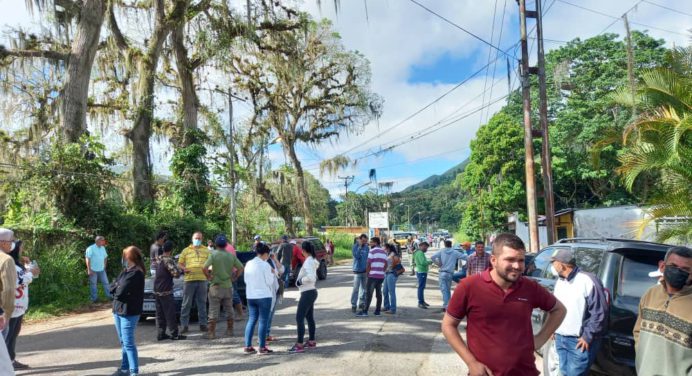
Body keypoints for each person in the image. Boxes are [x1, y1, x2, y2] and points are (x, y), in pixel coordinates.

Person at [441, 233, 567, 376]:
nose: (517, 266)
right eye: (510, 259)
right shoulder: (469, 287)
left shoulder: (530, 287)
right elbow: (448, 325)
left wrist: (540, 338)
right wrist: (471, 362)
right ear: (493, 260)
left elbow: (559, 310)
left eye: (521, 260)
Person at [634, 246, 692, 376]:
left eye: (685, 269)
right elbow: (638, 332)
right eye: (673, 266)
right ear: (663, 266)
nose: (678, 271)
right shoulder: (650, 294)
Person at [551, 249, 609, 376]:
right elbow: (556, 308)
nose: (552, 266)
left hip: (578, 341)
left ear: (562, 264)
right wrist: (553, 329)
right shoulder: (560, 281)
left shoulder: (587, 280)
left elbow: (599, 313)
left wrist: (587, 336)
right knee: (563, 372)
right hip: (561, 338)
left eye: (553, 262)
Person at [111, 246, 145, 376]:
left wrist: (117, 287)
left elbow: (119, 292)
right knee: (123, 342)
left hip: (128, 312)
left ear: (130, 258)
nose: (123, 259)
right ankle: (124, 369)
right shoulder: (125, 271)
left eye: (124, 256)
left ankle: (133, 371)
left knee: (128, 343)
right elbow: (112, 287)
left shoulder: (136, 273)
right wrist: (117, 287)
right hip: (118, 310)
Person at [5, 240, 38, 370]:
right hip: (12, 306)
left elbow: (31, 276)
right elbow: (18, 281)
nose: (22, 250)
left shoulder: (17, 264)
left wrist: (29, 266)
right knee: (8, 336)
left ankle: (11, 360)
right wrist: (30, 273)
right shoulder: (10, 264)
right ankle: (7, 363)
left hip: (19, 306)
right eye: (20, 248)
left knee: (13, 335)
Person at [203, 235, 244, 340]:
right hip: (228, 286)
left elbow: (204, 267)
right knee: (229, 308)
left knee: (213, 309)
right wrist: (234, 277)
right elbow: (241, 268)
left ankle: (211, 333)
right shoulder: (231, 256)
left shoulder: (213, 254)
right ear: (226, 245)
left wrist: (208, 276)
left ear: (216, 245)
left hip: (216, 286)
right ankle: (230, 330)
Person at [243, 242, 276, 355]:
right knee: (263, 321)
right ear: (265, 254)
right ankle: (261, 347)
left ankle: (248, 346)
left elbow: (246, 280)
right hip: (264, 296)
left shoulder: (248, 263)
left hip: (251, 295)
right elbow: (270, 282)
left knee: (252, 320)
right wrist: (272, 273)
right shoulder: (265, 265)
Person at [288, 241, 319, 353]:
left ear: (304, 251)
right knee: (309, 318)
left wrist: (300, 281)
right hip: (309, 291)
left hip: (307, 292)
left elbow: (311, 277)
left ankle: (299, 344)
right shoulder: (311, 260)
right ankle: (311, 341)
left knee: (299, 318)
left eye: (302, 249)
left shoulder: (309, 262)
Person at [178, 231, 210, 334]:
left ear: (202, 239)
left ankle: (203, 325)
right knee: (186, 304)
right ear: (192, 239)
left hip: (202, 280)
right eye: (196, 238)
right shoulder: (186, 250)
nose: (197, 240)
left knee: (202, 303)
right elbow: (180, 264)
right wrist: (184, 269)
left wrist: (210, 271)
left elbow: (211, 264)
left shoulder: (206, 250)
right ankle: (184, 326)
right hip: (189, 280)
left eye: (199, 238)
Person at [154, 240, 185, 341]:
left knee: (160, 314)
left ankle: (161, 334)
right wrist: (182, 270)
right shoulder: (168, 260)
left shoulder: (158, 259)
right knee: (170, 313)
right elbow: (176, 274)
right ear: (171, 250)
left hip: (157, 289)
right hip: (166, 290)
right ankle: (174, 334)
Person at [431, 240, 466, 312]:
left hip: (442, 272)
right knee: (447, 289)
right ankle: (449, 305)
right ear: (451, 245)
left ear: (444, 245)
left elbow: (432, 257)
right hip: (450, 273)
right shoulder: (455, 252)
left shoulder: (441, 251)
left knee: (444, 290)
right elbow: (466, 257)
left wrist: (438, 264)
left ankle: (447, 306)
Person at [356, 237, 386, 317]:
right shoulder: (384, 252)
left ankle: (365, 311)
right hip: (381, 276)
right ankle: (377, 311)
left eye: (371, 242)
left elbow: (368, 264)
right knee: (379, 294)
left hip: (372, 275)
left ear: (376, 243)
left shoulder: (372, 251)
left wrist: (367, 274)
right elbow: (385, 264)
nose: (370, 243)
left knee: (369, 294)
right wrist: (382, 271)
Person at [0, 228, 17, 374]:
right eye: (11, 241)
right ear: (3, 243)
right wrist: (6, 314)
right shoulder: (6, 260)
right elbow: (8, 290)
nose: (12, 244)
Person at [265, 249, 284, 343]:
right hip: (268, 292)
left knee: (271, 315)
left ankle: (267, 334)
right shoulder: (263, 263)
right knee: (267, 315)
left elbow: (281, 270)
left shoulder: (272, 261)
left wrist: (275, 259)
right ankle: (264, 335)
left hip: (276, 290)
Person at [85, 236, 112, 303]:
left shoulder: (103, 248)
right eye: (102, 240)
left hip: (102, 269)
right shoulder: (90, 248)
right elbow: (87, 258)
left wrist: (104, 266)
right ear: (98, 241)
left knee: (106, 283)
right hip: (93, 269)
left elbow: (105, 257)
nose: (104, 242)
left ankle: (110, 297)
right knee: (93, 284)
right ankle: (94, 299)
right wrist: (89, 269)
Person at [351, 234, 369, 313]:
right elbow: (357, 256)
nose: (364, 242)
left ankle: (362, 303)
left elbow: (368, 259)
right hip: (357, 271)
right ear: (360, 239)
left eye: (365, 241)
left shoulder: (367, 248)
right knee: (356, 289)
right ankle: (354, 304)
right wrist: (360, 247)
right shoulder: (355, 246)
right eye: (363, 241)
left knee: (364, 289)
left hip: (364, 271)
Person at [382, 243, 401, 315]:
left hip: (392, 274)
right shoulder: (387, 254)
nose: (384, 249)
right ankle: (386, 306)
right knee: (384, 291)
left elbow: (397, 264)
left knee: (391, 292)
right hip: (387, 274)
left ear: (388, 248)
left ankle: (393, 309)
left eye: (385, 248)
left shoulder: (393, 255)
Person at [413, 241, 432, 309]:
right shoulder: (420, 253)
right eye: (425, 247)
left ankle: (422, 301)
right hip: (421, 271)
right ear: (421, 246)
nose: (426, 249)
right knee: (421, 288)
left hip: (420, 271)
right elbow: (423, 262)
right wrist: (431, 261)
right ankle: (420, 302)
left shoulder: (418, 252)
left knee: (422, 287)